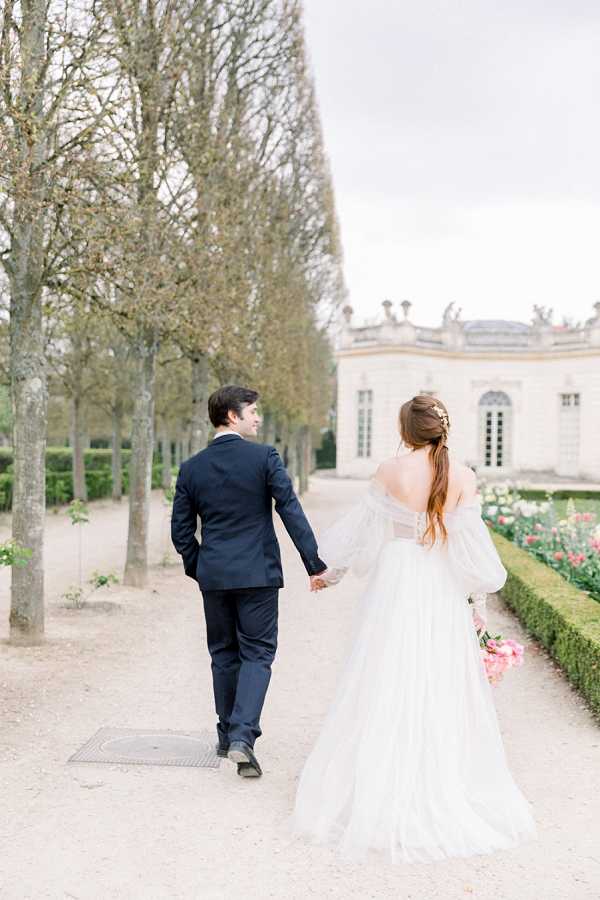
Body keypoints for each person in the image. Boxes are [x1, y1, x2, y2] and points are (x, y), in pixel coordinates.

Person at [293, 394, 536, 862]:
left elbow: (362, 530)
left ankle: (381, 779)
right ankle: (438, 777)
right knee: (439, 679)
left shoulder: (390, 471)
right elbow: (473, 554)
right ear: (442, 428)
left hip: (398, 577)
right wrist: (477, 605)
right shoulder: (464, 476)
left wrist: (331, 574)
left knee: (383, 673)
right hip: (440, 581)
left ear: (406, 431)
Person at [171, 385, 327, 778]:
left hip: (215, 574)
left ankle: (226, 735)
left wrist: (199, 565)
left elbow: (181, 531)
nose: (258, 418)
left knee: (223, 654)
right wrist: (314, 563)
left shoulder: (191, 468)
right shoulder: (264, 458)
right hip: (258, 574)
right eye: (252, 411)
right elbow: (289, 509)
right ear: (232, 416)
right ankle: (242, 736)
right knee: (257, 653)